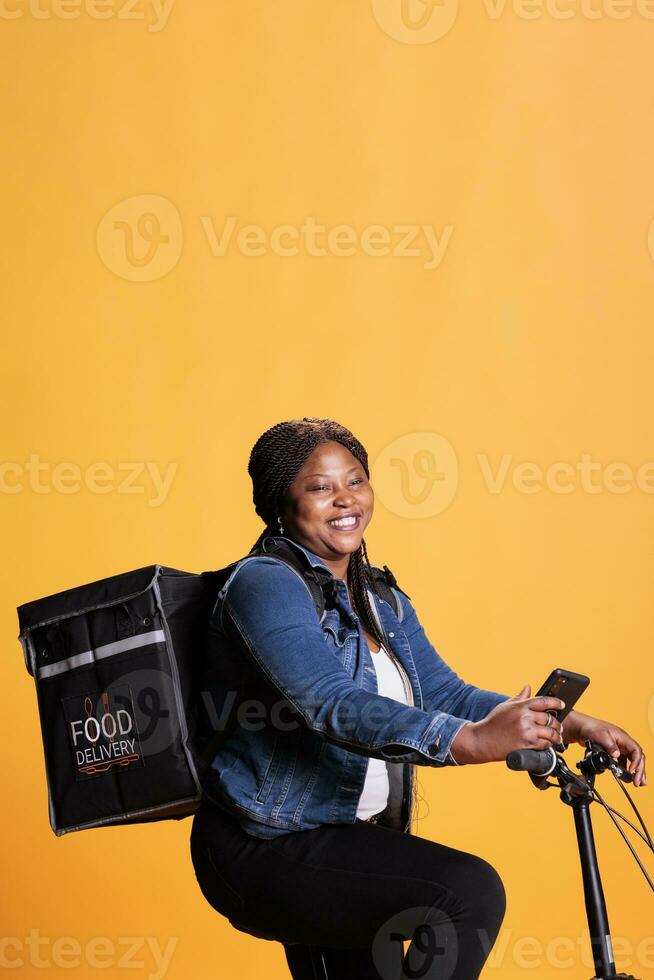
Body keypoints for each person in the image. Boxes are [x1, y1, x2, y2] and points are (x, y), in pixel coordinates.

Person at [189, 417, 646, 980]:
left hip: (346, 838)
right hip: (262, 842)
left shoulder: (380, 597)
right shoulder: (265, 584)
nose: (345, 500)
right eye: (320, 487)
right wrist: (473, 741)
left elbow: (445, 692)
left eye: (356, 481)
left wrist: (571, 724)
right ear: (280, 505)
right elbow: (330, 702)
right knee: (466, 894)